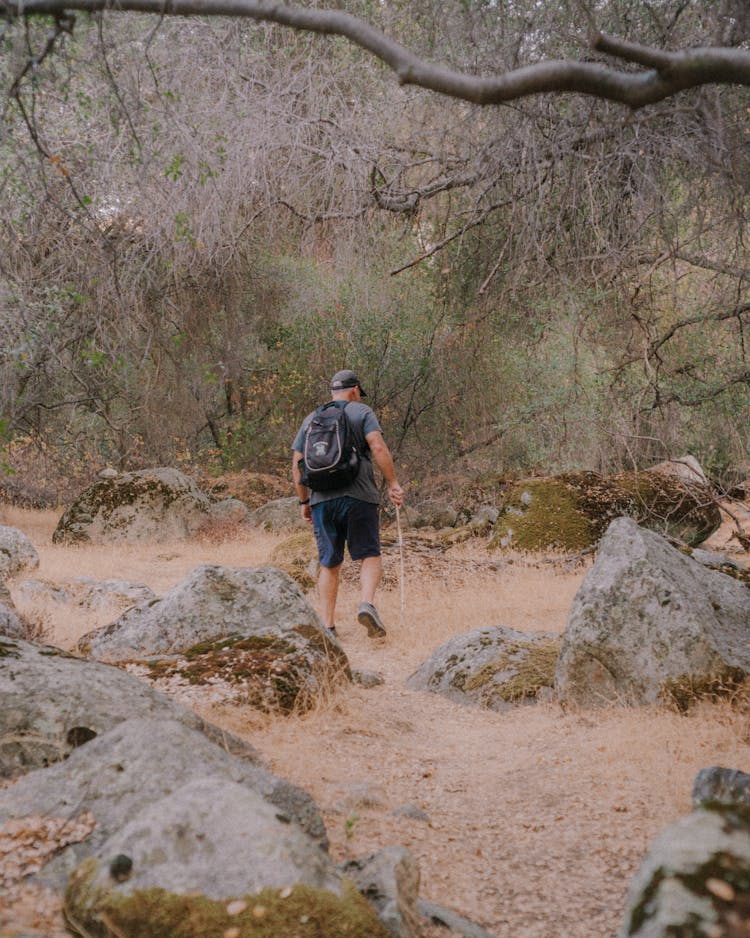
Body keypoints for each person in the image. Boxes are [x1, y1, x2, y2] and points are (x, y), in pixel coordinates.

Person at [292, 369, 404, 638]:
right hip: (359, 496)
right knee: (369, 554)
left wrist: (304, 501)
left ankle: (328, 626)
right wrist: (392, 483)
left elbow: (296, 464)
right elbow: (377, 446)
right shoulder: (361, 412)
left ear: (333, 391)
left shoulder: (311, 419)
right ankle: (366, 604)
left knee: (329, 563)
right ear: (355, 390)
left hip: (321, 500)